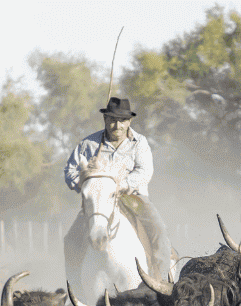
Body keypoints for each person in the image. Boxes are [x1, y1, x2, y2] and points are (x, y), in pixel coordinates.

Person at [63, 97, 173, 281]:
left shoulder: (140, 143)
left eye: (122, 120)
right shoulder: (88, 144)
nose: (117, 125)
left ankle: (162, 282)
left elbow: (145, 171)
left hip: (134, 198)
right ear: (105, 120)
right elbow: (70, 171)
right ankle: (74, 287)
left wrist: (121, 185)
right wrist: (85, 183)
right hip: (97, 201)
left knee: (159, 231)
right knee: (71, 239)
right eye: (112, 120)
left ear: (129, 121)